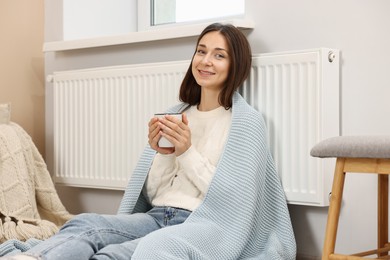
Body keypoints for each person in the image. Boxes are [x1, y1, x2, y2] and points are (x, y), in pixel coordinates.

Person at [1, 23, 296, 260]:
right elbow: (155, 194)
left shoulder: (246, 122)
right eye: (201, 51)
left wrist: (187, 152)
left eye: (219, 55)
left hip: (204, 223)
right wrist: (164, 154)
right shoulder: (176, 114)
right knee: (85, 224)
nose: (206, 61)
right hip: (157, 215)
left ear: (236, 65)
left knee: (121, 253)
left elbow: (235, 201)